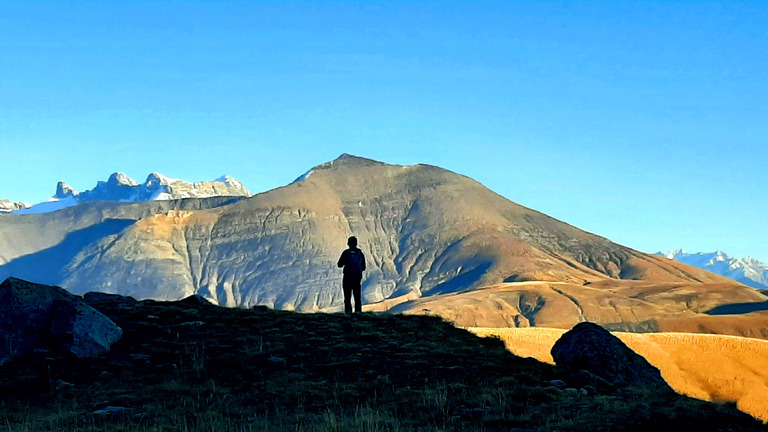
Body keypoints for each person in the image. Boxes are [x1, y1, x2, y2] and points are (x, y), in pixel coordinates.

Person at [337, 236, 366, 314]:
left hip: (347, 277)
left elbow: (339, 264)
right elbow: (363, 267)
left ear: (348, 243)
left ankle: (348, 312)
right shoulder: (360, 253)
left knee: (347, 297)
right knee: (357, 296)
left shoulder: (346, 253)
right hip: (357, 278)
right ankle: (358, 312)